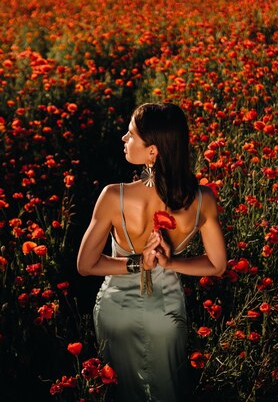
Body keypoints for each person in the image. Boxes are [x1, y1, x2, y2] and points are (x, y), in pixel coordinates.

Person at [77, 102, 227, 402]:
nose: (124, 138)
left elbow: (85, 265)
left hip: (116, 312)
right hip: (165, 314)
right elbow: (217, 265)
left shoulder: (113, 196)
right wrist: (170, 262)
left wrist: (136, 264)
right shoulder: (202, 199)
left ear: (153, 151)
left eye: (131, 134)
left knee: (119, 390)